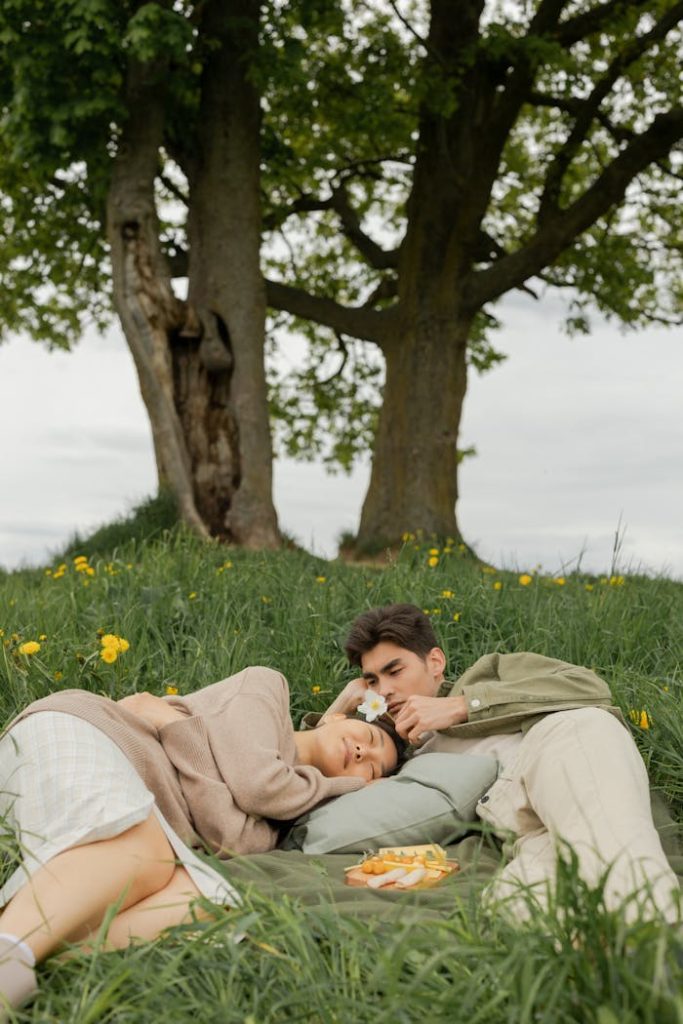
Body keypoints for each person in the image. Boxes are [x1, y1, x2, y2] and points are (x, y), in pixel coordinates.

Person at [0, 666, 404, 1017]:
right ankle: (8, 953)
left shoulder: (285, 818)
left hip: (142, 807)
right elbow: (258, 785)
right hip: (88, 733)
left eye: (373, 768)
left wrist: (174, 726)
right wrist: (350, 784)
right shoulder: (265, 689)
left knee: (211, 903)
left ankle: (32, 950)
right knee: (146, 847)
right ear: (335, 717)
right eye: (368, 736)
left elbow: (230, 840)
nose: (361, 752)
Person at [312, 603, 681, 925]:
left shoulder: (488, 675)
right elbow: (310, 765)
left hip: (560, 749)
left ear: (435, 662)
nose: (384, 690)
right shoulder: (387, 750)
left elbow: (589, 688)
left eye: (395, 671)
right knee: (522, 907)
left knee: (623, 873)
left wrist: (461, 706)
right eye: (372, 680)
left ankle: (658, 943)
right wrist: (343, 702)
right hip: (516, 824)